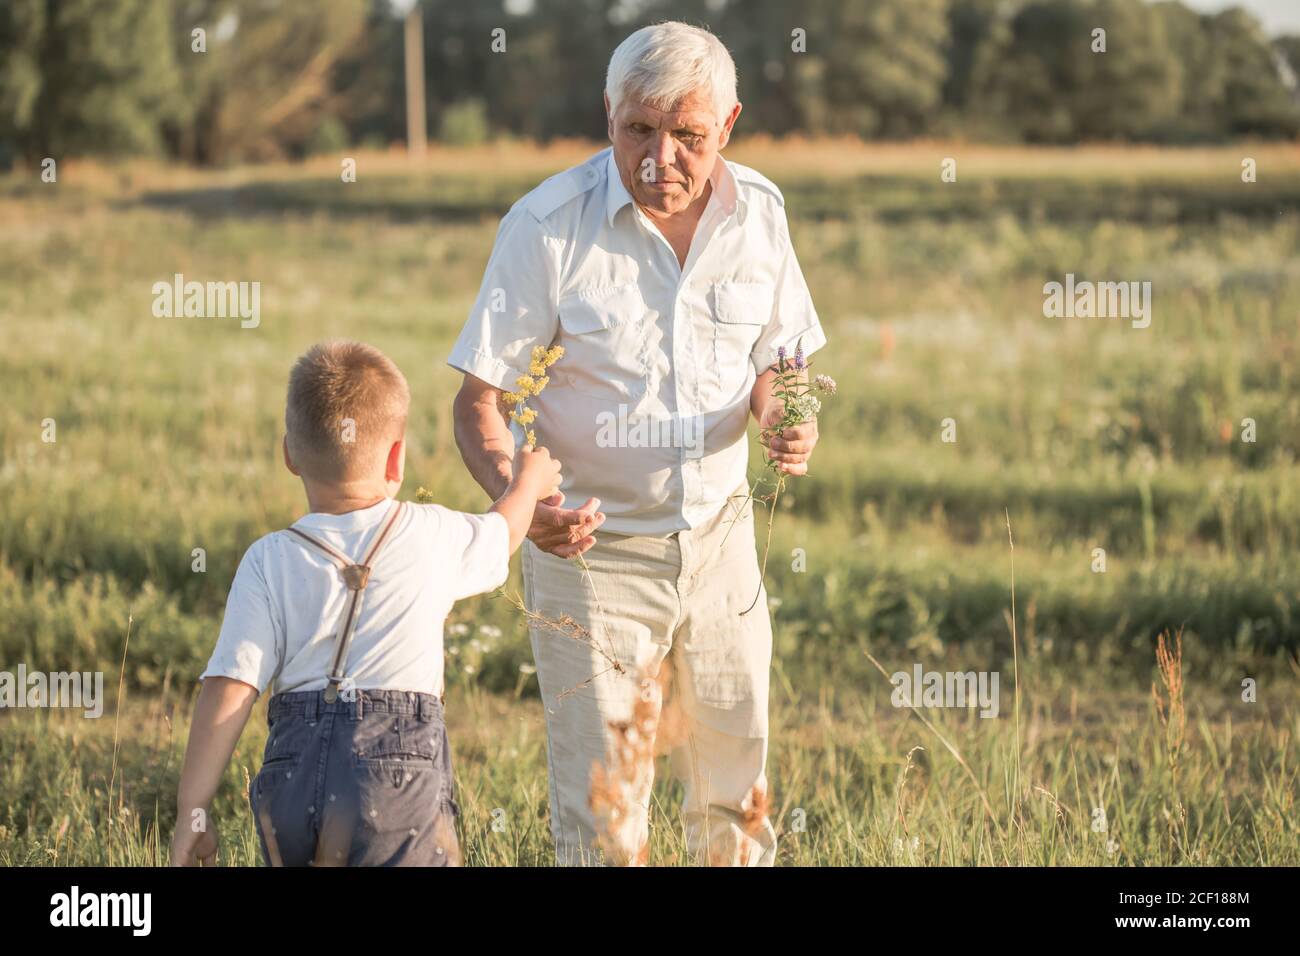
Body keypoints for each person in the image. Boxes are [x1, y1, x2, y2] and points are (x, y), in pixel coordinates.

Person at [170, 340, 560, 866]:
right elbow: (502, 531)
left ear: (289, 453)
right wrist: (529, 482)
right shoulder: (430, 533)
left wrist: (192, 806)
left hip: (292, 775)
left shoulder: (267, 559)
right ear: (397, 458)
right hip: (396, 779)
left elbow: (230, 685)